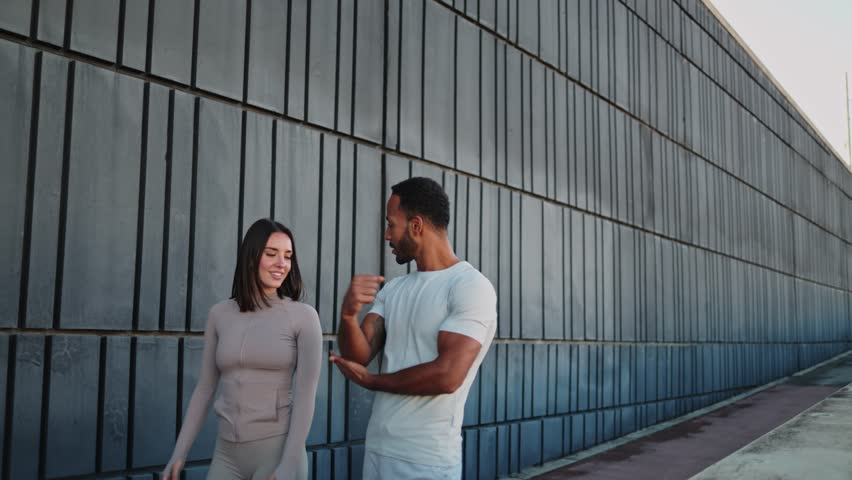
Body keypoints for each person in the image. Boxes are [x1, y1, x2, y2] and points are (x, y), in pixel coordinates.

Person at [329, 177, 497, 479]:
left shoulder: (470, 287)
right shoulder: (394, 289)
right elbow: (359, 355)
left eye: (391, 224)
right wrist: (348, 315)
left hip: (426, 461)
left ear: (416, 225)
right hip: (379, 450)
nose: (386, 235)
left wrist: (372, 382)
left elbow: (447, 376)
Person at [163, 219, 322, 480]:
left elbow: (306, 396)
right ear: (251, 256)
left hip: (277, 453)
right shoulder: (220, 314)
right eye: (271, 254)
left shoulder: (303, 317)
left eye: (288, 256)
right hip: (226, 454)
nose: (282, 263)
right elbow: (204, 389)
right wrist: (178, 453)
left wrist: (290, 464)